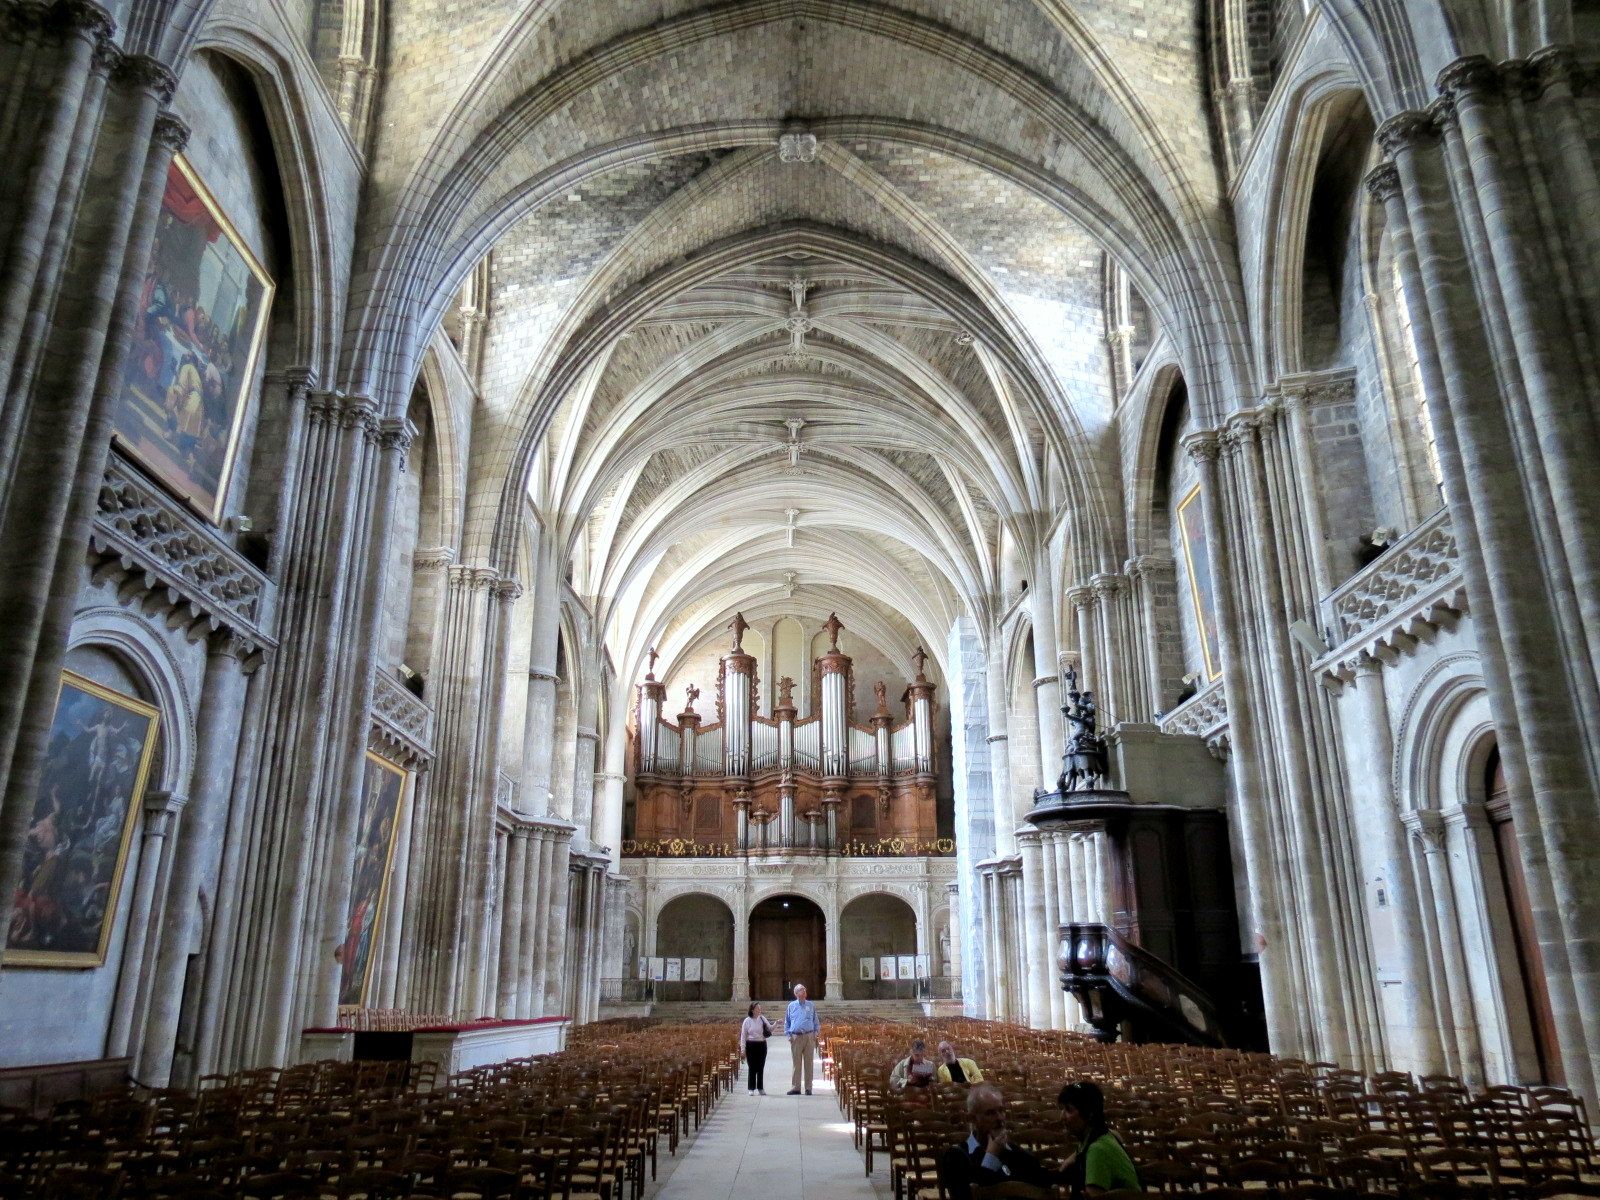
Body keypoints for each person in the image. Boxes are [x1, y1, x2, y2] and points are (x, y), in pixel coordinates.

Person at [937, 1084, 1060, 1200]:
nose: (1000, 1118)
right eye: (990, 1113)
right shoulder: (956, 1157)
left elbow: (1042, 1180)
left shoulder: (1013, 1151)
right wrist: (991, 1157)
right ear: (972, 1118)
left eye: (1001, 1111)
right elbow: (969, 1195)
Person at [1057, 1080, 1140, 1197]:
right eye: (1062, 1109)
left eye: (1069, 1110)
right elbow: (1115, 1134)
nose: (1062, 1117)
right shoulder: (1102, 1135)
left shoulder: (1097, 1151)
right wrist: (1073, 1157)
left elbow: (1094, 1196)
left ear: (1089, 1115)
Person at [785, 983, 820, 1094]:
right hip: (796, 1037)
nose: (804, 991)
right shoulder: (791, 1006)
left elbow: (816, 1021)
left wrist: (816, 1033)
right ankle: (796, 1087)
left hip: (809, 1036)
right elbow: (787, 1022)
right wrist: (788, 1035)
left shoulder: (810, 1005)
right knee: (797, 1063)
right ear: (796, 993)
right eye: (801, 990)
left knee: (809, 1063)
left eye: (804, 989)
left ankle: (808, 1088)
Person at [739, 1001, 775, 1095]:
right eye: (757, 1008)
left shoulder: (762, 1018)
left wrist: (776, 1023)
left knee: (760, 1066)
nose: (759, 1010)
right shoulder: (747, 1021)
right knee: (752, 1067)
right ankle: (751, 1088)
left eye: (760, 1008)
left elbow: (770, 1028)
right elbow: (743, 1036)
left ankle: (760, 1087)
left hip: (761, 1045)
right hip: (751, 1045)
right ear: (752, 1010)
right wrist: (742, 1049)